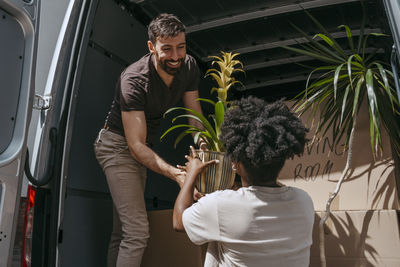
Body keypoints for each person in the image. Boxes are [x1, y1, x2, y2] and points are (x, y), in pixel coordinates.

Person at [94, 13, 206, 267]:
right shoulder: (134, 80)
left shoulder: (188, 66)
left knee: (123, 231)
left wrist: (205, 148)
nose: (176, 56)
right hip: (117, 147)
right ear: (151, 47)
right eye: (167, 49)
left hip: (141, 148)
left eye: (181, 47)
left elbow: (194, 116)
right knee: (137, 232)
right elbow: (134, 146)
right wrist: (178, 175)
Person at [173, 97, 315, 267]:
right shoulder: (303, 200)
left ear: (235, 163)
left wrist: (191, 174)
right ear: (282, 158)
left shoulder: (221, 205)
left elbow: (179, 222)